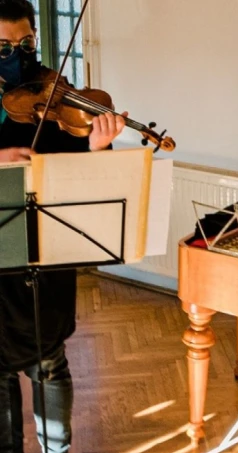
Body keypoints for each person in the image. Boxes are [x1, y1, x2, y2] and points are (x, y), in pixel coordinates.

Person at [0, 1, 126, 451]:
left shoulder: (52, 97)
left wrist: (97, 148)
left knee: (50, 361)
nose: (18, 55)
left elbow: (82, 179)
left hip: (47, 255)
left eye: (27, 44)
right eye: (4, 48)